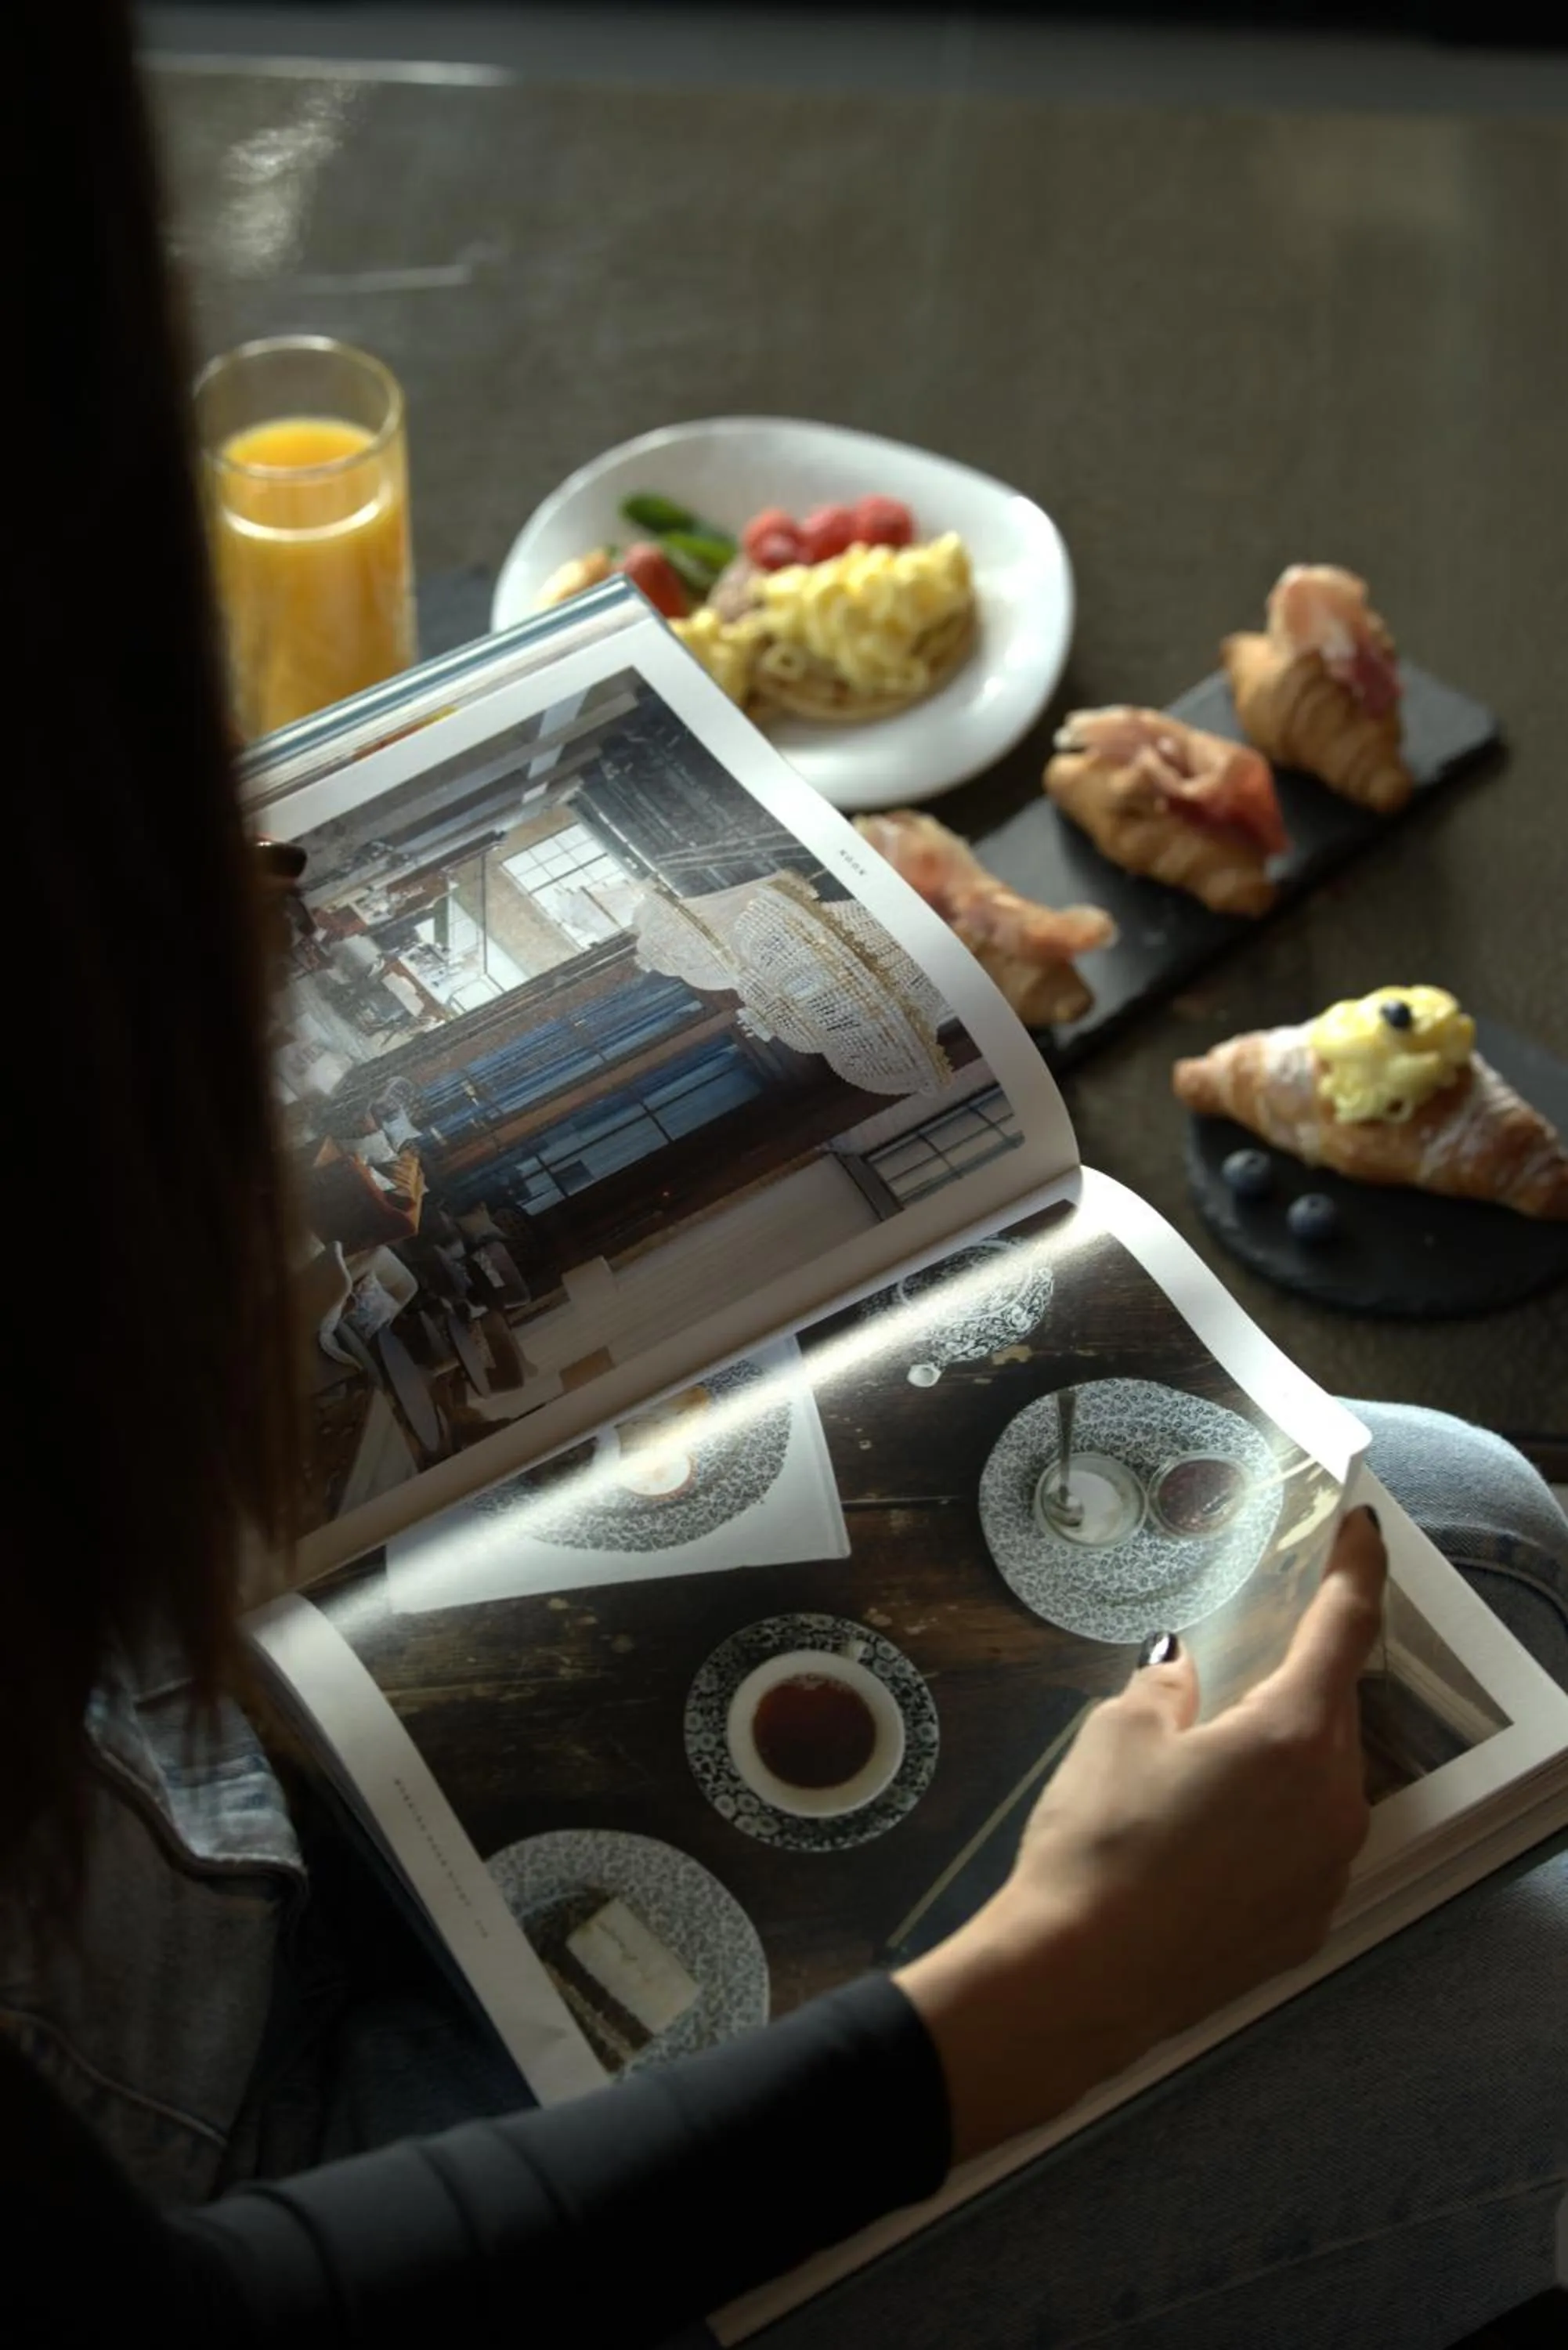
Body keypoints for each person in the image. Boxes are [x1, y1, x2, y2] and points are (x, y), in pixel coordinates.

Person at [5, 7, 1565, 2345]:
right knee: (1531, 2014)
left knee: (1466, 1520)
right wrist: (1037, 1993)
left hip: (192, 1772)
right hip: (266, 2134)